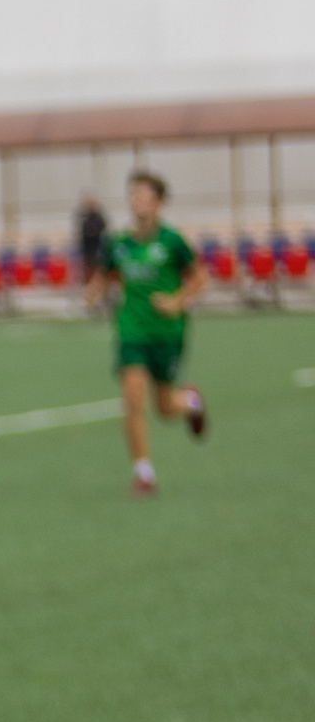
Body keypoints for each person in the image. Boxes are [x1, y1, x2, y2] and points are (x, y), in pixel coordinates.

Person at [87, 170, 208, 498]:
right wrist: (93, 292)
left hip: (167, 333)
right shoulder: (117, 243)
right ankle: (143, 471)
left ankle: (191, 402)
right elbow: (104, 277)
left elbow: (199, 278)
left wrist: (176, 301)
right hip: (131, 332)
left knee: (166, 408)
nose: (138, 203)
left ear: (159, 203)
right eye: (133, 196)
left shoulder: (172, 241)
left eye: (145, 197)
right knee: (133, 394)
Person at [76, 195, 110, 290]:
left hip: (97, 248)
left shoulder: (98, 217)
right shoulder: (84, 217)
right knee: (88, 271)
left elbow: (103, 228)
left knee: (99, 271)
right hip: (87, 249)